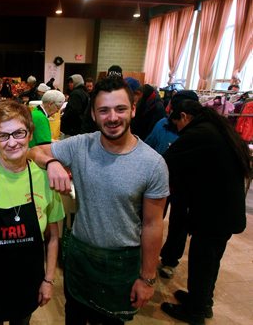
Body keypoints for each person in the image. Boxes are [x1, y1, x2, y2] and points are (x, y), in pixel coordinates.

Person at [28, 76, 169, 325]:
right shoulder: (81, 145)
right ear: (93, 114)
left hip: (121, 264)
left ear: (133, 109)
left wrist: (147, 279)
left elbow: (152, 225)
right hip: (80, 258)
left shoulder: (153, 164)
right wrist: (51, 163)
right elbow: (34, 151)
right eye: (104, 110)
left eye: (120, 108)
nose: (112, 117)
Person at [160, 99, 250, 325]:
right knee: (210, 261)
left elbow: (166, 161)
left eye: (177, 124)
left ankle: (196, 312)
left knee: (203, 261)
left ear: (184, 117)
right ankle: (202, 302)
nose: (177, 130)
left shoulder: (199, 134)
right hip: (223, 211)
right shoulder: (214, 127)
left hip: (215, 214)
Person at [0, 101, 65, 325]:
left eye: (18, 133)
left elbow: (53, 237)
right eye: (3, 136)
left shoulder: (44, 178)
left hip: (28, 284)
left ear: (30, 133)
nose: (12, 142)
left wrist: (48, 280)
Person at [145, 90, 199, 281]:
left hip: (184, 187)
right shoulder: (163, 124)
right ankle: (143, 255)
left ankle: (169, 260)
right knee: (150, 219)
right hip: (158, 183)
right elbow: (148, 145)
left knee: (179, 224)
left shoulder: (198, 133)